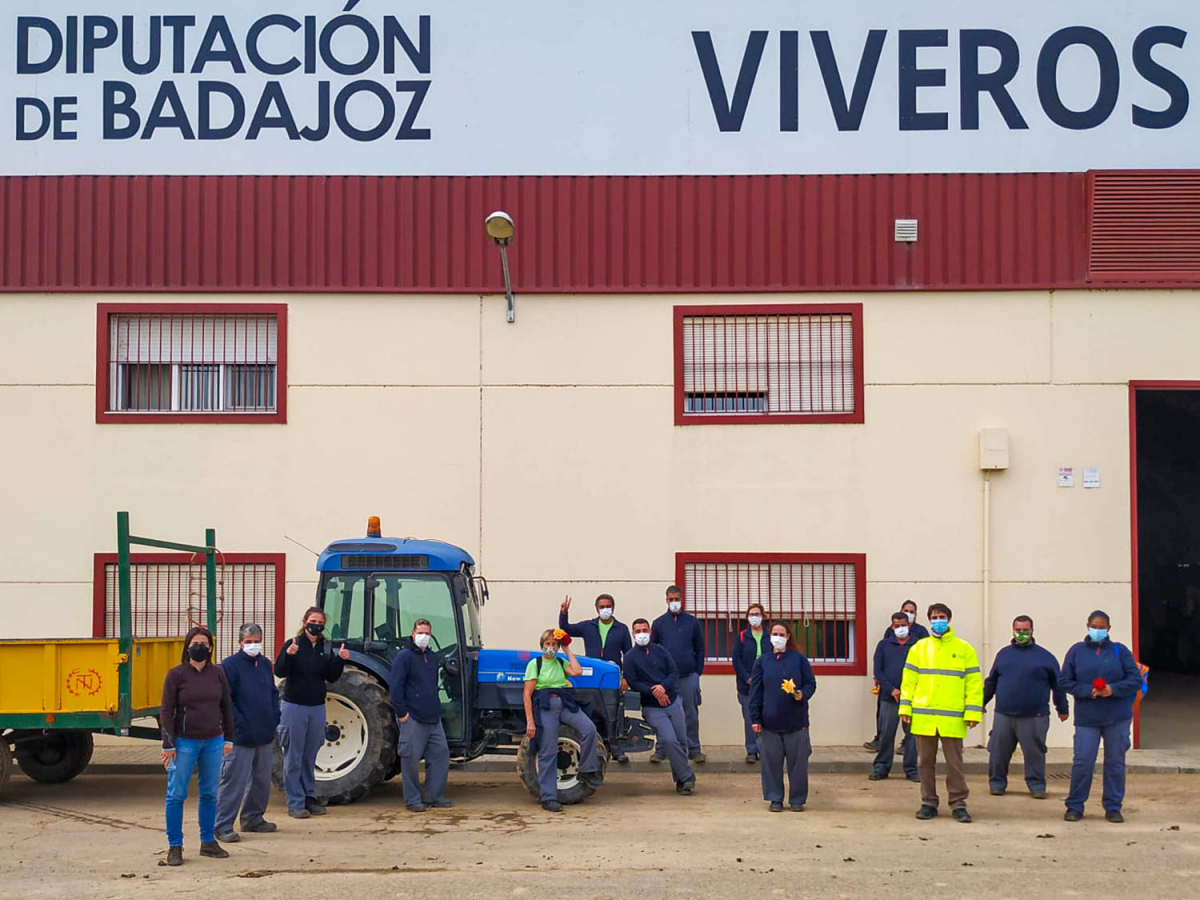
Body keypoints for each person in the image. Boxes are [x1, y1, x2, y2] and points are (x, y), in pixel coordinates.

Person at [900, 603, 983, 824]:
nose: (938, 620)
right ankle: (928, 802)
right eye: (935, 616)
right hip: (924, 718)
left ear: (949, 619)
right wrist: (905, 708)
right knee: (924, 763)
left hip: (952, 719)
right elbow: (908, 682)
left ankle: (958, 804)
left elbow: (974, 683)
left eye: (942, 616)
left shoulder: (964, 649)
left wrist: (973, 712)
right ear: (929, 620)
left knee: (955, 764)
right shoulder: (919, 648)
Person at [160, 626, 235, 866]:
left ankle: (208, 842)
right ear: (187, 647)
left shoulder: (218, 674)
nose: (199, 647)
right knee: (176, 794)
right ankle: (174, 846)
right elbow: (166, 711)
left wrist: (228, 738)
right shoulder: (176, 675)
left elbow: (226, 706)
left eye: (204, 643)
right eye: (195, 643)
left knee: (210, 794)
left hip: (213, 741)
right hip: (183, 743)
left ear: (211, 648)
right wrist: (168, 744)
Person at [1059, 610, 1143, 823]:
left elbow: (1135, 680)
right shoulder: (1076, 652)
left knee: (1115, 762)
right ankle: (1075, 806)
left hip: (1117, 717)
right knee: (1083, 762)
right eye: (1094, 626)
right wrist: (1089, 691)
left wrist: (1112, 689)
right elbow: (1065, 681)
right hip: (1087, 718)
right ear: (1087, 626)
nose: (1098, 630)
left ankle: (1113, 807)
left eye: (1101, 627)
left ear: (1109, 628)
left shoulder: (1120, 651)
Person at [273, 606, 349, 819]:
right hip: (294, 706)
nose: (316, 625)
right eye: (312, 621)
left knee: (310, 753)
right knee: (293, 755)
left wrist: (340, 660)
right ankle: (295, 802)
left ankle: (309, 796)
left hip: (317, 706)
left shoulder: (325, 647)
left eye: (319, 622)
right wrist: (288, 656)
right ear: (305, 621)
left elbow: (331, 676)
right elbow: (280, 671)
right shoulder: (294, 644)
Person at [982, 615, 1069, 799]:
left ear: (1032, 631)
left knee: (1035, 753)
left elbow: (1058, 685)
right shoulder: (1003, 654)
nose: (1022, 634)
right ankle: (997, 783)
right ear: (1013, 630)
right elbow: (992, 682)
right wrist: (981, 702)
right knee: (998, 752)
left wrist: (1062, 708)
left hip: (1034, 716)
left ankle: (1036, 785)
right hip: (1004, 715)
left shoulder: (1045, 657)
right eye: (1018, 630)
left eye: (1025, 630)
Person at [522, 628, 603, 812]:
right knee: (548, 750)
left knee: (589, 729)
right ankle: (548, 797)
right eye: (547, 644)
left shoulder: (560, 661)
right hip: (546, 706)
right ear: (542, 645)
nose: (550, 647)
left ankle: (586, 772)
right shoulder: (535, 664)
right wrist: (530, 721)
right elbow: (527, 695)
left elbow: (577, 671)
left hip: (564, 703)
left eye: (553, 644)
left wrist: (566, 648)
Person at [214, 623, 280, 844]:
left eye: (256, 641)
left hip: (263, 733)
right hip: (240, 735)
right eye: (248, 641)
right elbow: (227, 700)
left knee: (261, 780)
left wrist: (274, 718)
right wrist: (238, 725)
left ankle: (253, 817)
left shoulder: (263, 665)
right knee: (234, 780)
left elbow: (272, 693)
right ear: (240, 643)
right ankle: (223, 825)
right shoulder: (229, 666)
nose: (253, 645)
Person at [749, 622, 817, 812]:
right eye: (774, 634)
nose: (778, 637)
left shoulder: (799, 659)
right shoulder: (762, 661)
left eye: (781, 634)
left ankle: (797, 800)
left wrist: (802, 693)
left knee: (798, 765)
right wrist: (755, 718)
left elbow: (811, 683)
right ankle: (775, 798)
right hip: (770, 722)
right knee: (771, 764)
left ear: (788, 637)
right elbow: (755, 692)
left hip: (796, 722)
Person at [623, 618, 696, 794]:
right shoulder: (630, 657)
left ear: (650, 631)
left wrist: (663, 687)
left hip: (672, 700)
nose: (642, 634)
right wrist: (654, 691)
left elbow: (673, 672)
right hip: (651, 707)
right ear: (633, 634)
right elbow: (633, 681)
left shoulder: (661, 651)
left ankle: (681, 781)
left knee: (681, 740)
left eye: (644, 630)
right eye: (638, 631)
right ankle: (687, 776)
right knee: (669, 740)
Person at [559, 593, 633, 762]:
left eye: (608, 606)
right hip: (592, 677)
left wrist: (625, 678)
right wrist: (564, 613)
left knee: (613, 714)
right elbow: (566, 630)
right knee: (593, 712)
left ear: (613, 608)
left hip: (611, 678)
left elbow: (628, 655)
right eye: (602, 606)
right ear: (597, 609)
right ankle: (597, 746)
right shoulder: (588, 626)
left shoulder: (621, 629)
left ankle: (616, 749)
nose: (605, 609)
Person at [388, 618, 453, 813]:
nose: (423, 636)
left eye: (427, 633)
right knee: (410, 759)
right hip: (413, 717)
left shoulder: (432, 657)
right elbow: (396, 686)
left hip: (433, 717)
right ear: (413, 634)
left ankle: (433, 795)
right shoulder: (404, 657)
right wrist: (402, 714)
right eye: (420, 633)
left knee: (441, 754)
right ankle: (412, 799)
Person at [650, 585, 706, 763]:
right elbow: (653, 650)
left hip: (688, 676)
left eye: (677, 599)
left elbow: (700, 649)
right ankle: (661, 750)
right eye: (671, 599)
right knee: (662, 713)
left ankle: (694, 749)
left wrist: (697, 673)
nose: (674, 602)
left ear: (682, 600)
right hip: (665, 679)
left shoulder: (692, 622)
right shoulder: (659, 623)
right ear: (666, 600)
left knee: (690, 713)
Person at [864, 600, 929, 752]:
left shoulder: (920, 636)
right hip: (889, 691)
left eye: (912, 611)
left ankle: (909, 756)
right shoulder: (885, 641)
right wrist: (885, 684)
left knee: (911, 726)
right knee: (885, 722)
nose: (909, 613)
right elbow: (880, 663)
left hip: (912, 693)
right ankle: (880, 750)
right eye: (906, 610)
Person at [869, 612, 919, 782]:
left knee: (913, 736)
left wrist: (907, 692)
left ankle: (912, 770)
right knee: (886, 734)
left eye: (903, 625)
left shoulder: (918, 646)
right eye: (897, 626)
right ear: (892, 627)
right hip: (888, 698)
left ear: (909, 625)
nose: (900, 628)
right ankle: (881, 768)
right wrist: (892, 690)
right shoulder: (883, 645)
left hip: (912, 698)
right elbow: (878, 671)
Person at [732, 603, 769, 763]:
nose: (754, 617)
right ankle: (752, 750)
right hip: (747, 686)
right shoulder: (742, 636)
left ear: (763, 616)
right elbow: (736, 660)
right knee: (750, 718)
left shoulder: (770, 635)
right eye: (751, 614)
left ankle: (765, 749)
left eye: (757, 614)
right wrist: (747, 678)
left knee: (767, 717)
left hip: (767, 684)